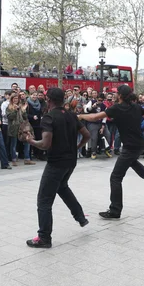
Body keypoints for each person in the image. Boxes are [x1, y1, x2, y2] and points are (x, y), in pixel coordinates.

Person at [78, 85, 144, 220]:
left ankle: (115, 210)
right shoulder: (136, 107)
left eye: (116, 93)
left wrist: (81, 116)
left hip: (129, 146)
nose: (114, 95)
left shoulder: (117, 108)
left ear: (120, 95)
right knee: (132, 161)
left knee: (115, 177)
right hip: (139, 144)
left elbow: (95, 117)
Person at [25, 88, 90, 248]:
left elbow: (46, 144)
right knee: (62, 187)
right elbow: (87, 135)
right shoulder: (71, 115)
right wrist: (77, 146)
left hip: (56, 162)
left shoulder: (49, 117)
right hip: (71, 161)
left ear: (48, 100)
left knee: (44, 200)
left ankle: (44, 238)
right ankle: (80, 217)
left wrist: (31, 141)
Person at [6, 93, 35, 166]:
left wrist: (24, 110)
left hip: (22, 127)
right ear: (12, 99)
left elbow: (25, 117)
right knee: (14, 144)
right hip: (14, 128)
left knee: (27, 142)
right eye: (14, 98)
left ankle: (27, 159)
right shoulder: (9, 107)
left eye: (17, 98)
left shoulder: (21, 106)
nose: (16, 100)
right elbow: (10, 117)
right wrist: (15, 110)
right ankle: (13, 159)